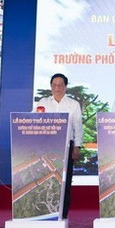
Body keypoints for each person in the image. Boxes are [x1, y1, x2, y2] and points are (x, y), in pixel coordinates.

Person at [36, 73, 83, 219]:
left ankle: (62, 215)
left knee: (65, 181)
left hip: (66, 146)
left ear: (65, 87)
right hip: (46, 147)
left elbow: (78, 126)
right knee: (45, 179)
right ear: (51, 86)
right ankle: (44, 212)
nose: (57, 88)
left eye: (60, 85)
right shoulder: (43, 102)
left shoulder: (73, 104)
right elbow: (32, 120)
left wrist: (77, 146)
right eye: (54, 85)